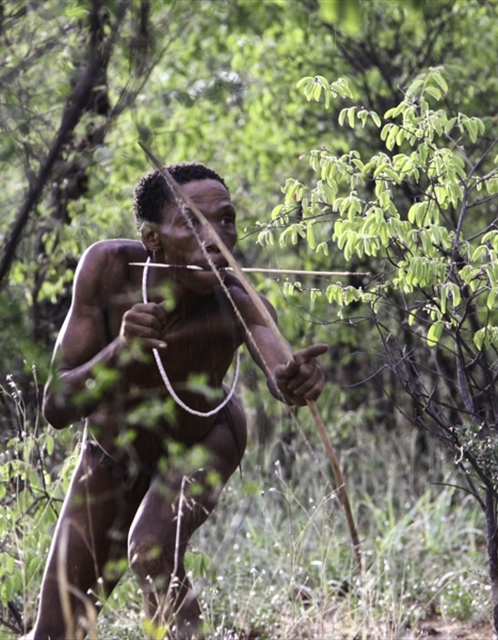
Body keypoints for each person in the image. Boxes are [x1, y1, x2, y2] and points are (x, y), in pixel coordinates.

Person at [29, 162, 328, 639]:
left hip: (205, 436)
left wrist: (293, 380)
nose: (216, 238)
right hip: (111, 453)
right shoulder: (108, 270)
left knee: (150, 547)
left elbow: (279, 369)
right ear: (154, 239)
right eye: (192, 223)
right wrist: (119, 351)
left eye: (226, 220)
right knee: (54, 635)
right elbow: (56, 407)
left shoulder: (239, 299)